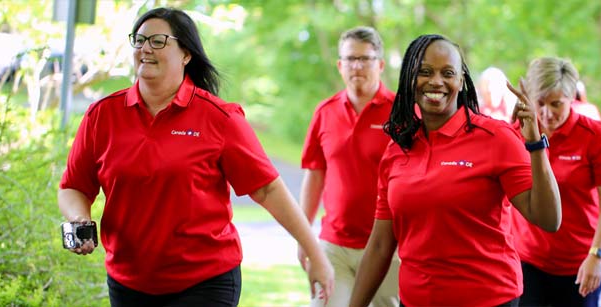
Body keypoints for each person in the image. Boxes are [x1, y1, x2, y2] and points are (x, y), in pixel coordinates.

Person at [57, 7, 333, 306]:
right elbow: (74, 186)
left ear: (186, 54)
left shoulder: (219, 118)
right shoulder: (103, 115)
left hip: (205, 281)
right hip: (128, 282)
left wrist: (315, 254)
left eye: (158, 41)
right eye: (139, 40)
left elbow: (267, 189)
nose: (145, 48)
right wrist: (79, 218)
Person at [349, 34, 561, 307]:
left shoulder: (496, 137)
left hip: (489, 300)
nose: (436, 81)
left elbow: (548, 218)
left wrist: (535, 144)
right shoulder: (396, 151)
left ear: (461, 81)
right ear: (409, 79)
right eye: (425, 72)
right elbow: (379, 246)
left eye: (447, 73)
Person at [299, 26, 399, 307]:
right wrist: (304, 235)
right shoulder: (325, 112)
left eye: (365, 59)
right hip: (335, 246)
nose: (357, 65)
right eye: (350, 58)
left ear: (379, 64)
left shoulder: (402, 112)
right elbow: (315, 175)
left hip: (387, 246)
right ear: (340, 65)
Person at [512, 57, 601, 307]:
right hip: (528, 260)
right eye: (540, 103)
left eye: (556, 104)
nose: (547, 113)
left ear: (572, 98)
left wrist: (597, 255)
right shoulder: (518, 131)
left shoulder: (593, 135)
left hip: (577, 262)